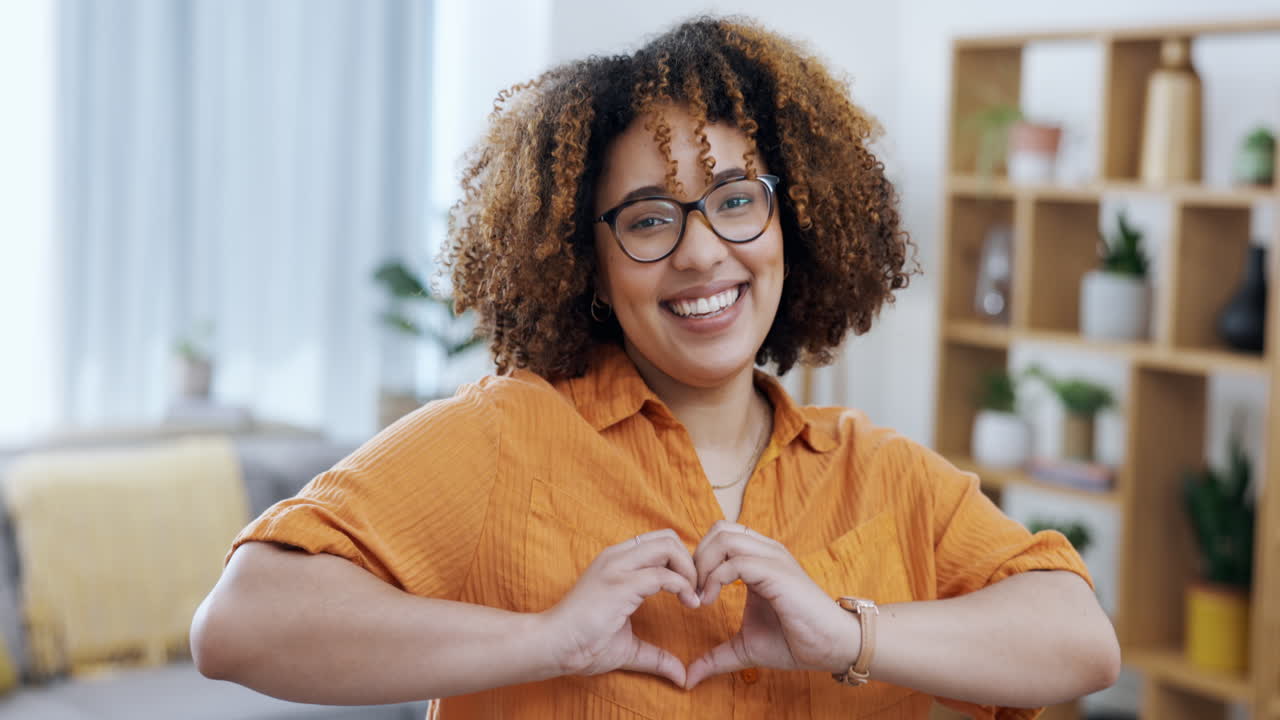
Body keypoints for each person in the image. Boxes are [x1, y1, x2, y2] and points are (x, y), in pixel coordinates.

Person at [190, 16, 1120, 719]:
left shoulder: (882, 476)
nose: (702, 252)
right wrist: (547, 640)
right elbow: (244, 622)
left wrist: (848, 634)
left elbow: (1080, 641)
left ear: (792, 223)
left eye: (736, 200)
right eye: (647, 219)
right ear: (588, 265)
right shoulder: (506, 436)